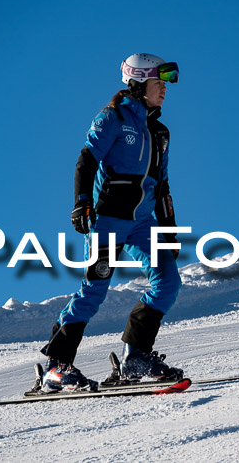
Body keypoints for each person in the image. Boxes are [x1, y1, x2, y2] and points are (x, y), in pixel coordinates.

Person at [39, 53, 184, 392]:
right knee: (95, 289)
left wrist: (169, 229)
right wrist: (81, 204)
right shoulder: (113, 118)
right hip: (107, 220)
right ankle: (56, 366)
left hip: (143, 223)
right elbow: (87, 160)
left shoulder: (160, 132)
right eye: (158, 83)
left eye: (164, 84)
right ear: (138, 83)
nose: (164, 89)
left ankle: (135, 357)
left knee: (168, 283)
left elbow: (162, 185)